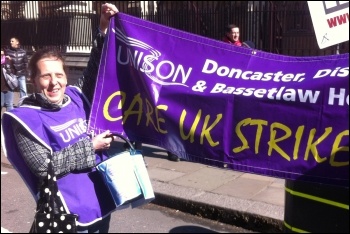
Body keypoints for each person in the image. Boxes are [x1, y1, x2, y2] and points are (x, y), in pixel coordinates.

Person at [1, 3, 119, 233]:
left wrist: (103, 30)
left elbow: (95, 67)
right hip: (68, 213)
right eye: (46, 76)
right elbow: (44, 167)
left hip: (100, 199)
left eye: (59, 74)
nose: (54, 82)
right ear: (34, 80)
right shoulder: (24, 119)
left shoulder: (74, 96)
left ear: (66, 77)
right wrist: (91, 147)